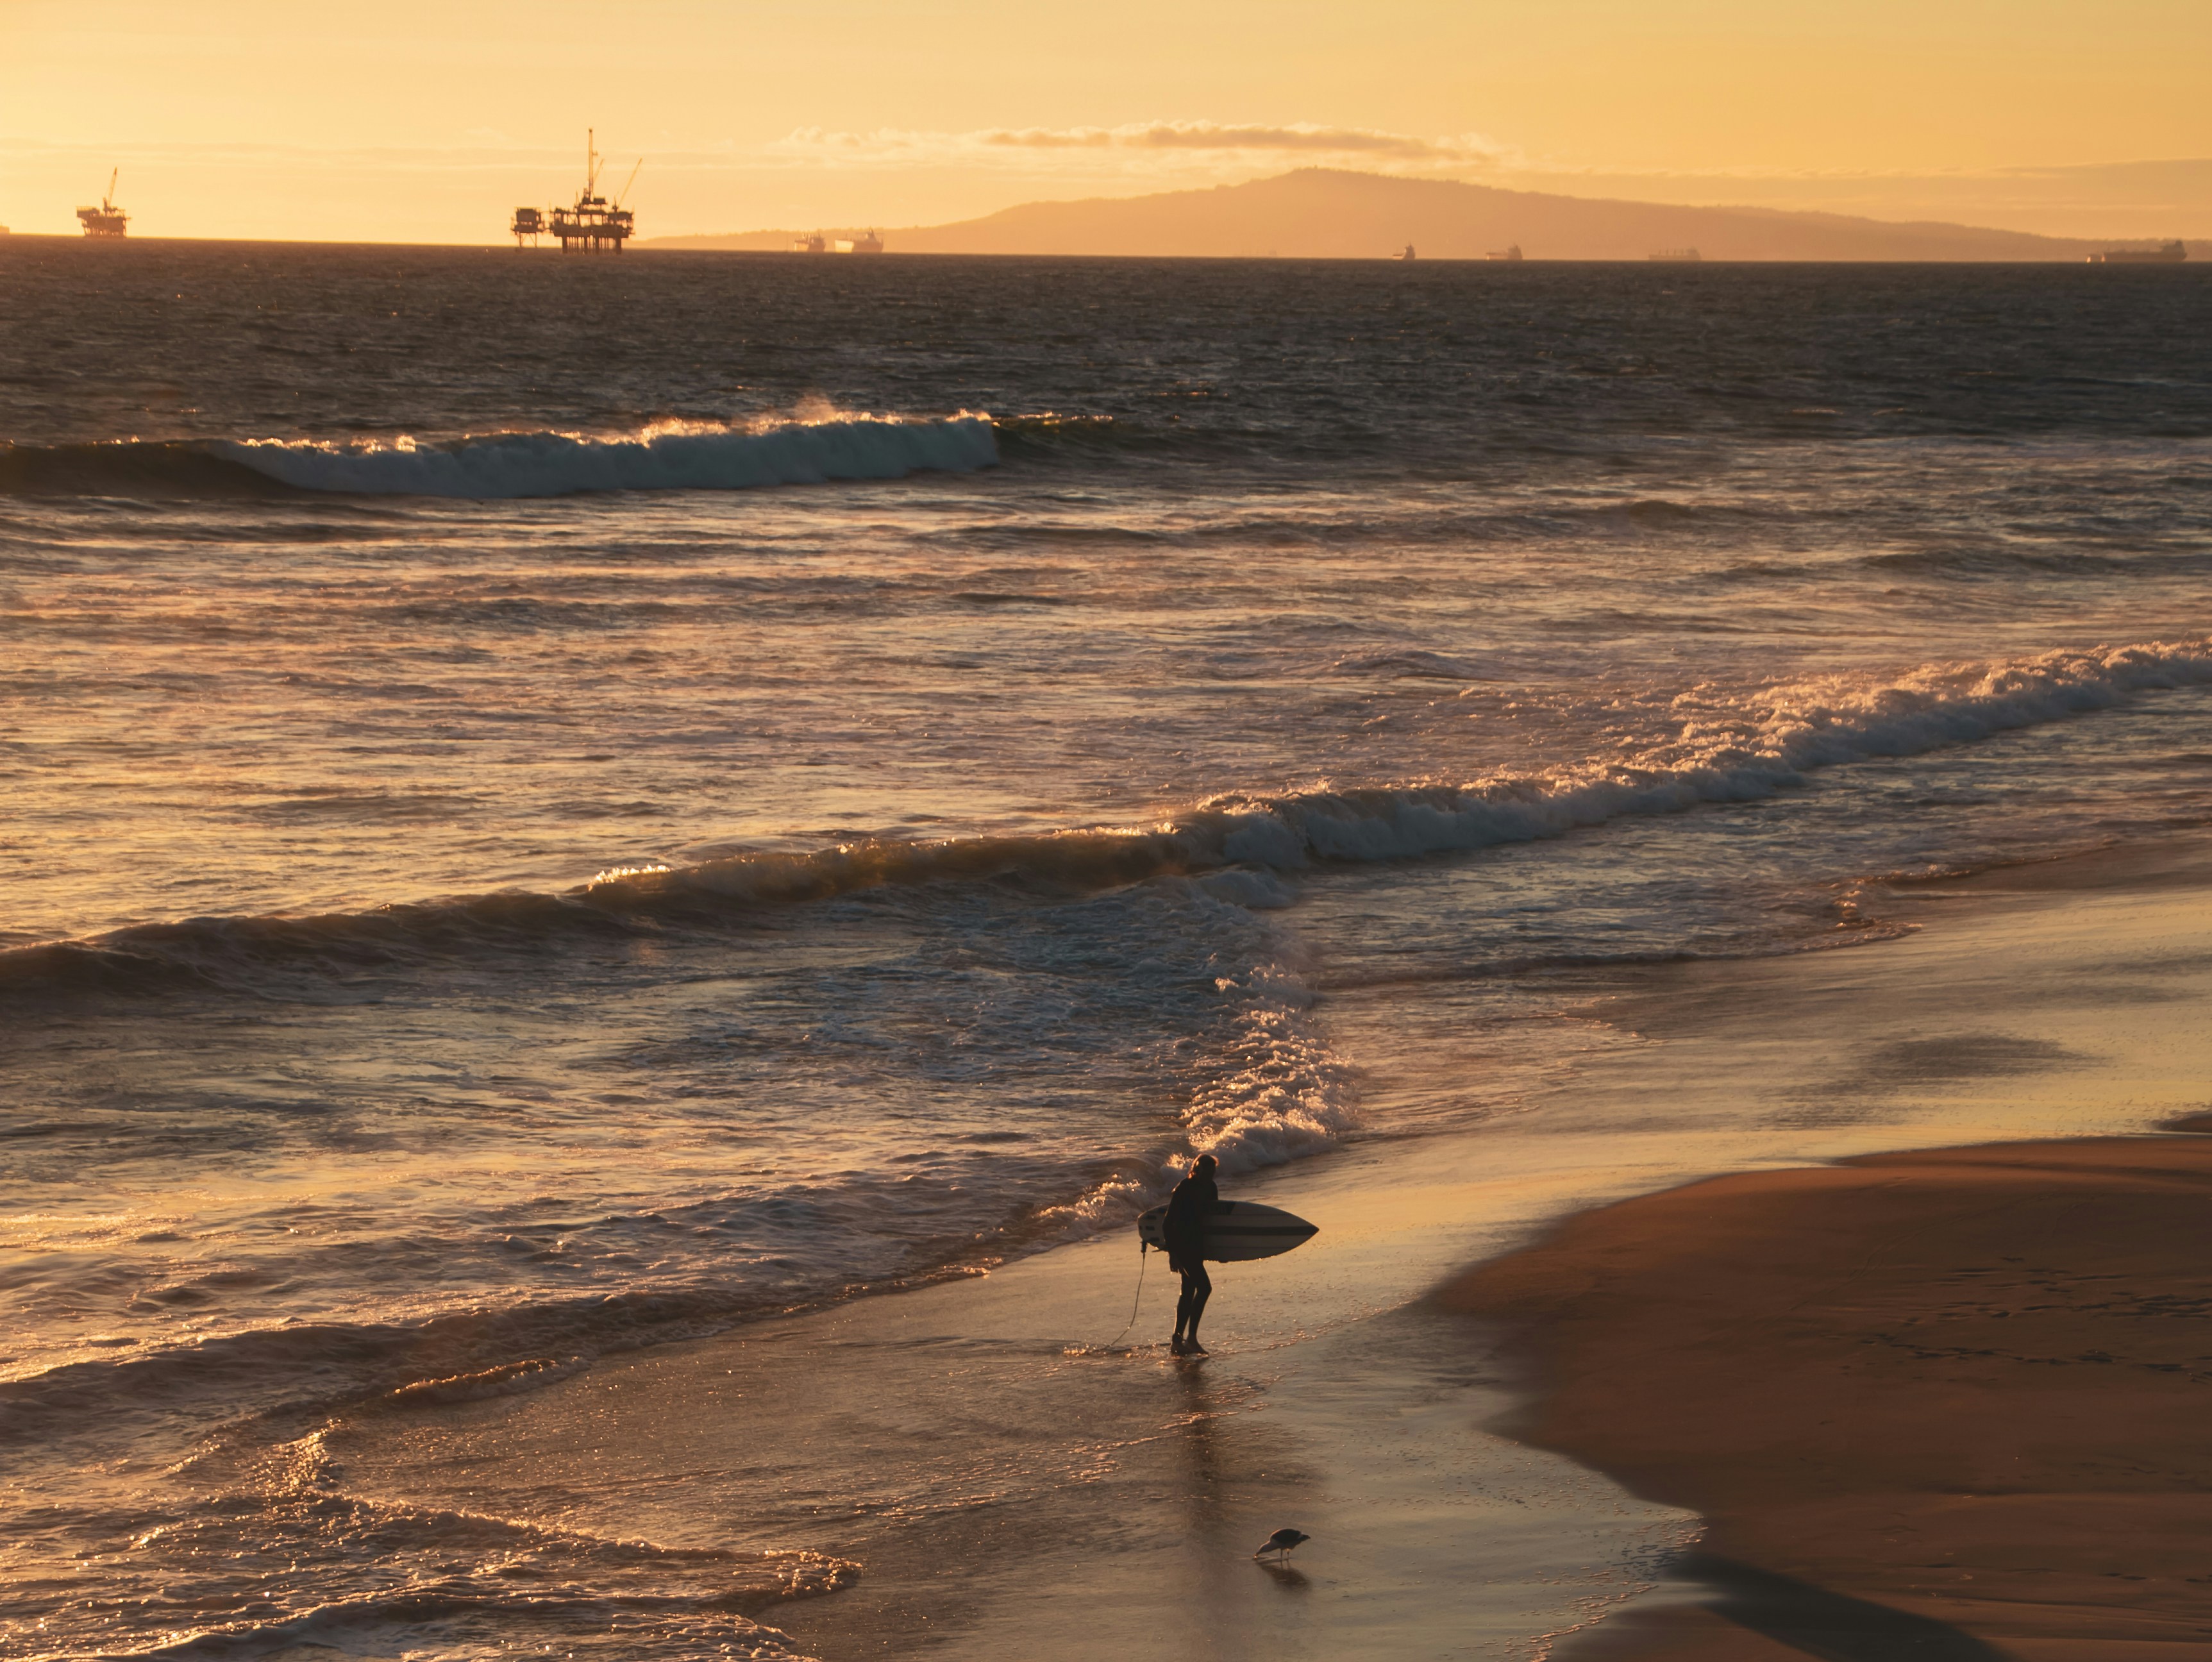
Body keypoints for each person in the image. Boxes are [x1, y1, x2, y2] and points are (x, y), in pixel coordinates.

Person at [1162, 1153, 1219, 1355]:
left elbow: (1213, 1223)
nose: (1211, 1175)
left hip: (1197, 1246)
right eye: (1208, 1171)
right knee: (1204, 1288)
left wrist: (1219, 1252)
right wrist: (1172, 1255)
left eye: (1214, 1172)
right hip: (1183, 1246)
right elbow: (1168, 1224)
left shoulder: (1211, 1188)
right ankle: (1191, 1339)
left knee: (1188, 1292)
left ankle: (1178, 1341)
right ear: (1198, 1169)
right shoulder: (1184, 1188)